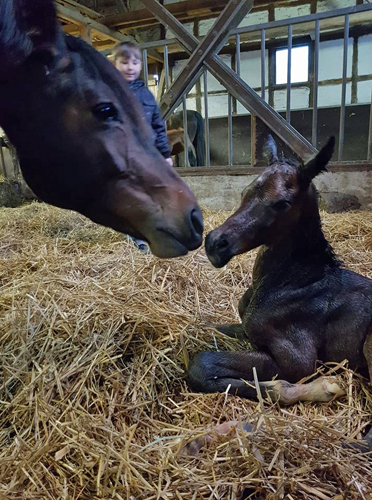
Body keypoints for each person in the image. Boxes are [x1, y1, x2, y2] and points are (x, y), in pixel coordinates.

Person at [113, 41, 173, 254]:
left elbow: (158, 124)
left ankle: (158, 229)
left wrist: (165, 154)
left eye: (135, 62)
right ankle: (137, 236)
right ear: (116, 63)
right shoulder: (110, 92)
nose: (130, 67)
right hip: (124, 154)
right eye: (125, 62)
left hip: (147, 154)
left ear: (140, 66)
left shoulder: (146, 94)